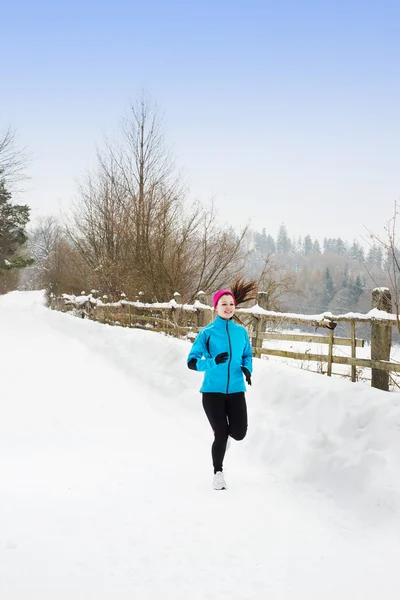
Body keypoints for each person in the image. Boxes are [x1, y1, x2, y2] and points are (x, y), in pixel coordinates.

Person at [187, 280, 256, 490]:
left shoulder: (240, 332)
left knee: (240, 432)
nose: (228, 308)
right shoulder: (207, 333)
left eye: (231, 304)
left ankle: (223, 436)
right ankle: (218, 472)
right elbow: (191, 362)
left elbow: (247, 355)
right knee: (222, 433)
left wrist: (247, 369)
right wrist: (212, 362)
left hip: (236, 391)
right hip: (212, 392)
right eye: (223, 304)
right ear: (215, 307)